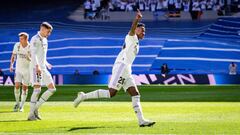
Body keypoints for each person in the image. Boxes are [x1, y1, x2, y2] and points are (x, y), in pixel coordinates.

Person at [73, 9, 156, 127]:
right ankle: (83, 96)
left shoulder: (136, 41)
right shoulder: (131, 37)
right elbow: (132, 30)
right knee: (111, 93)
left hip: (127, 70)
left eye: (144, 31)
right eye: (142, 30)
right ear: (137, 30)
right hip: (121, 67)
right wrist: (137, 20)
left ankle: (141, 120)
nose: (144, 33)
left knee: (135, 93)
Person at [28, 22, 56, 121]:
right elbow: (33, 54)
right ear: (42, 29)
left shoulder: (45, 40)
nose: (49, 34)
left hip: (43, 67)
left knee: (52, 89)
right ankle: (31, 115)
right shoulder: (34, 39)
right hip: (36, 68)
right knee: (37, 90)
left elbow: (42, 55)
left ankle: (35, 109)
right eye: (48, 32)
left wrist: (46, 63)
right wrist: (37, 66)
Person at [9, 32, 31, 112]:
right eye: (20, 38)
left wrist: (29, 57)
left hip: (27, 71)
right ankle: (17, 103)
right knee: (17, 86)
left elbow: (33, 60)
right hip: (18, 69)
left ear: (26, 39)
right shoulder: (17, 45)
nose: (20, 40)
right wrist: (11, 65)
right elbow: (13, 55)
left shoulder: (30, 47)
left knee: (25, 88)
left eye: (21, 39)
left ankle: (22, 106)